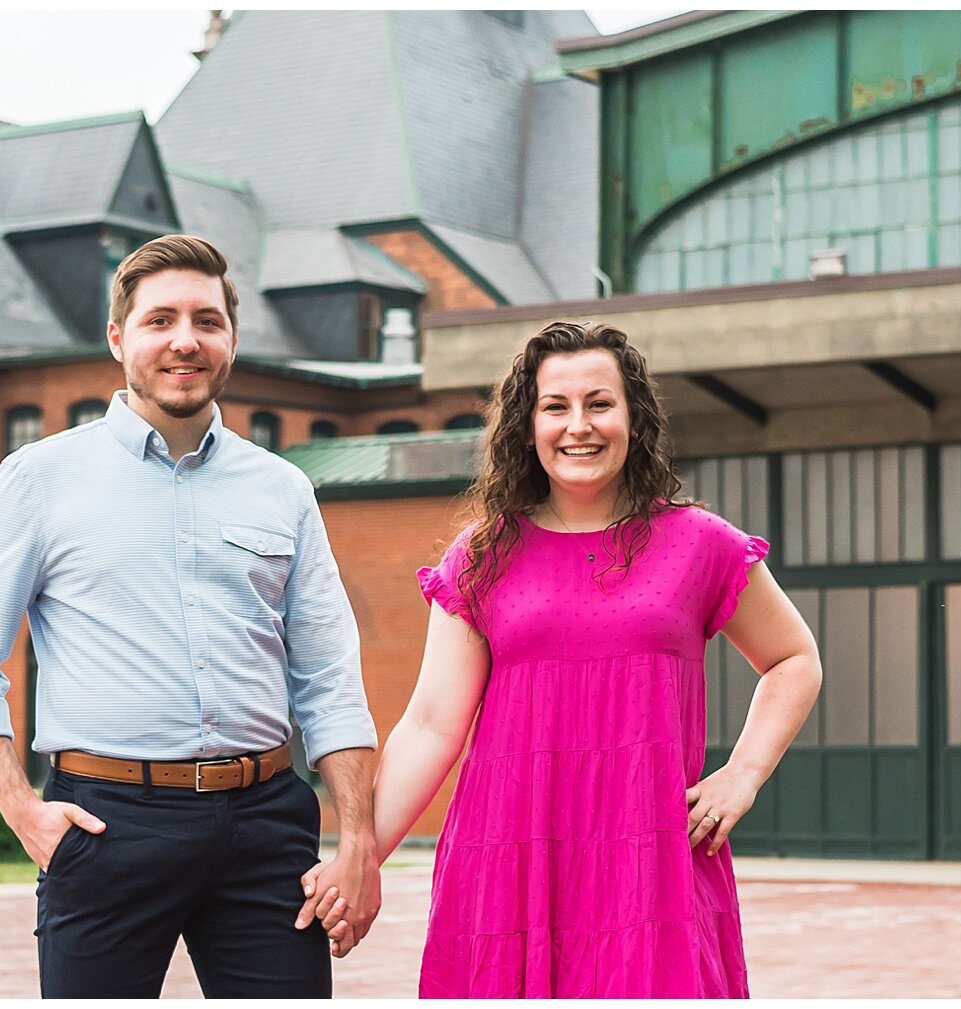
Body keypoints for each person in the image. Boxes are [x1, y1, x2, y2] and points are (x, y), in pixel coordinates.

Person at [0, 234, 380, 998]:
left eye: (206, 320)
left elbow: (329, 674)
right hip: (107, 827)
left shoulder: (283, 489)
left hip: (267, 825)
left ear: (230, 338)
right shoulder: (40, 478)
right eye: (159, 319)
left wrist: (358, 840)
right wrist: (24, 812)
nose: (185, 340)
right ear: (118, 337)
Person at [343, 320, 822, 997]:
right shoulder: (482, 556)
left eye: (600, 402)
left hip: (651, 864)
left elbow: (794, 658)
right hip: (509, 867)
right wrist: (360, 856)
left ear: (633, 415)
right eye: (555, 406)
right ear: (527, 424)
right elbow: (429, 724)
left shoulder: (701, 544)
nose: (579, 426)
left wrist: (742, 774)